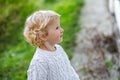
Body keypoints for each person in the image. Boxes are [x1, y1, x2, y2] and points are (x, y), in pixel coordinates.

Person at [23, 10, 80, 80]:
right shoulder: (39, 62)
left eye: (60, 26)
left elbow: (69, 70)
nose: (62, 30)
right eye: (57, 28)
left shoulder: (59, 49)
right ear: (43, 36)